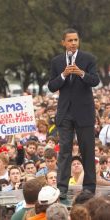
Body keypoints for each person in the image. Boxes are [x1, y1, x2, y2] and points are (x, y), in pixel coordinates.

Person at [48, 28, 100, 199]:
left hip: (84, 112)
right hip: (65, 113)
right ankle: (62, 188)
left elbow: (95, 80)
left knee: (87, 150)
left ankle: (89, 187)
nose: (73, 43)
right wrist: (63, 75)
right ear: (63, 42)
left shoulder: (89, 59)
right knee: (64, 151)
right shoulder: (56, 62)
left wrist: (81, 73)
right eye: (69, 40)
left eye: (75, 40)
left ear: (79, 41)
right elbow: (51, 86)